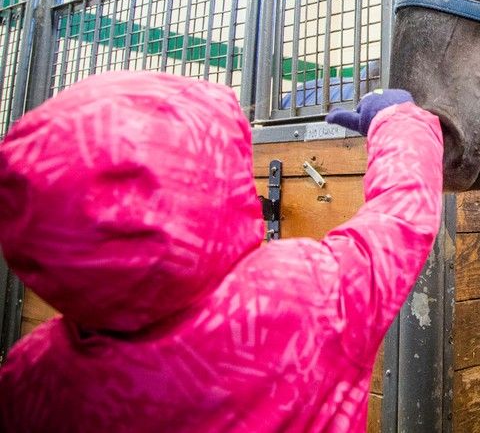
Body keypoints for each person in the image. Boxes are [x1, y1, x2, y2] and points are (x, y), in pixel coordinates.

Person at [0, 71, 443, 432]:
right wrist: (397, 121)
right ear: (212, 172)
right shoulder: (306, 302)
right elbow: (398, 218)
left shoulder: (29, 375)